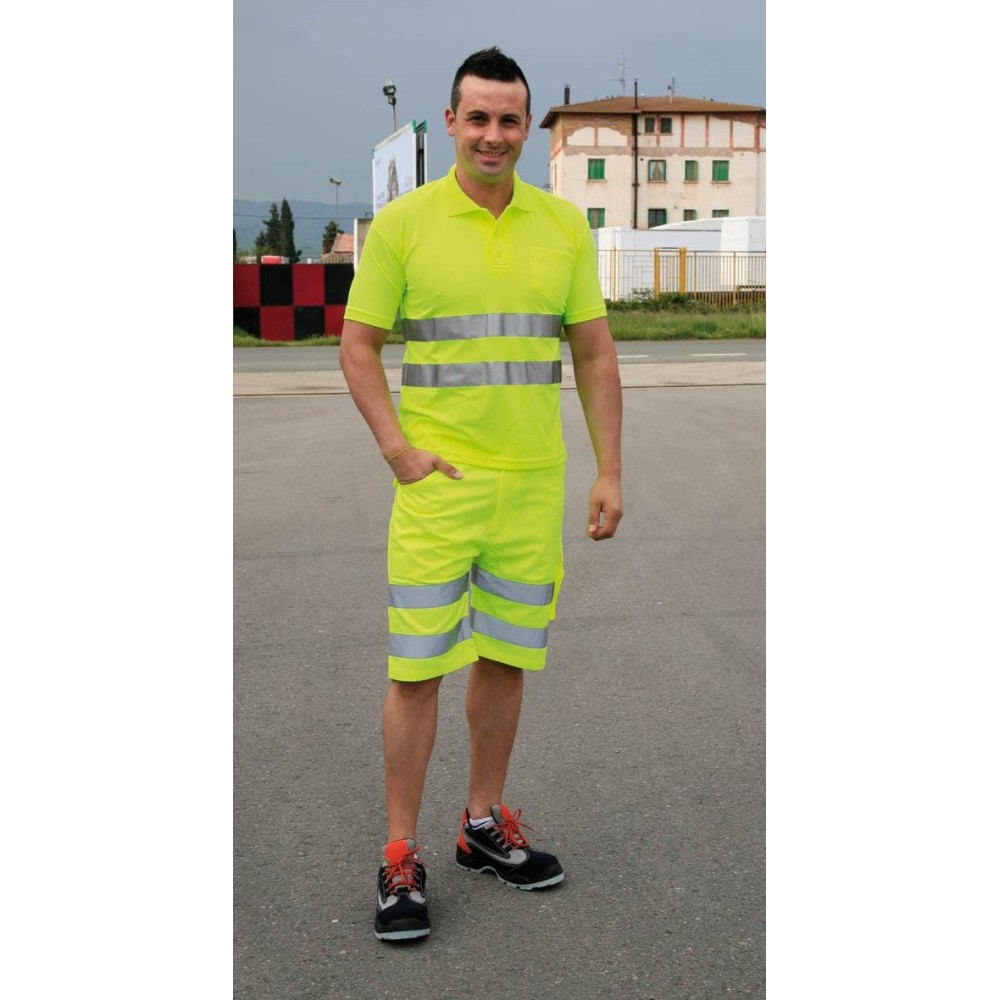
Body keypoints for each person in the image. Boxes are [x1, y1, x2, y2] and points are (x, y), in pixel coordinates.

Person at [339, 46, 623, 943]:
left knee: (504, 660)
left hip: (530, 490)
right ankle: (399, 854)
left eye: (509, 120)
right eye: (478, 119)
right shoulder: (405, 224)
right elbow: (357, 344)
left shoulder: (562, 226)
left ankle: (481, 825)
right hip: (439, 489)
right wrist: (398, 451)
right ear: (451, 123)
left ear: (526, 128)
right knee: (417, 669)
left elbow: (593, 352)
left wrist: (609, 469)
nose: (493, 135)